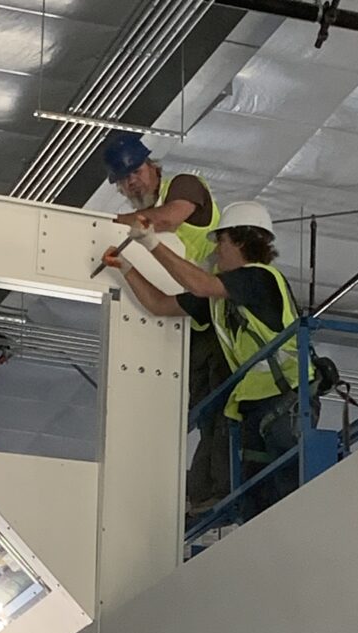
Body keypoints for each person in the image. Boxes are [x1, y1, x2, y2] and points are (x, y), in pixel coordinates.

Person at [102, 200, 317, 521]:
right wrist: (127, 269)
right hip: (257, 404)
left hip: (288, 394)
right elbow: (160, 305)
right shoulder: (220, 299)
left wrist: (150, 242)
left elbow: (199, 284)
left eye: (222, 241)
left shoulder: (259, 278)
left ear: (243, 240)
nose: (216, 251)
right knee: (259, 501)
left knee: (289, 492)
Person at [104, 135, 230, 513]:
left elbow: (166, 218)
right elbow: (159, 304)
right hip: (200, 316)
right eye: (124, 181)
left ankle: (215, 489)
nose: (133, 184)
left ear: (153, 167)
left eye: (137, 172)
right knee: (203, 412)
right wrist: (125, 267)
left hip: (222, 305)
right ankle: (201, 493)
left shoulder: (183, 185)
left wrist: (107, 224)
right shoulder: (145, 218)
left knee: (220, 410)